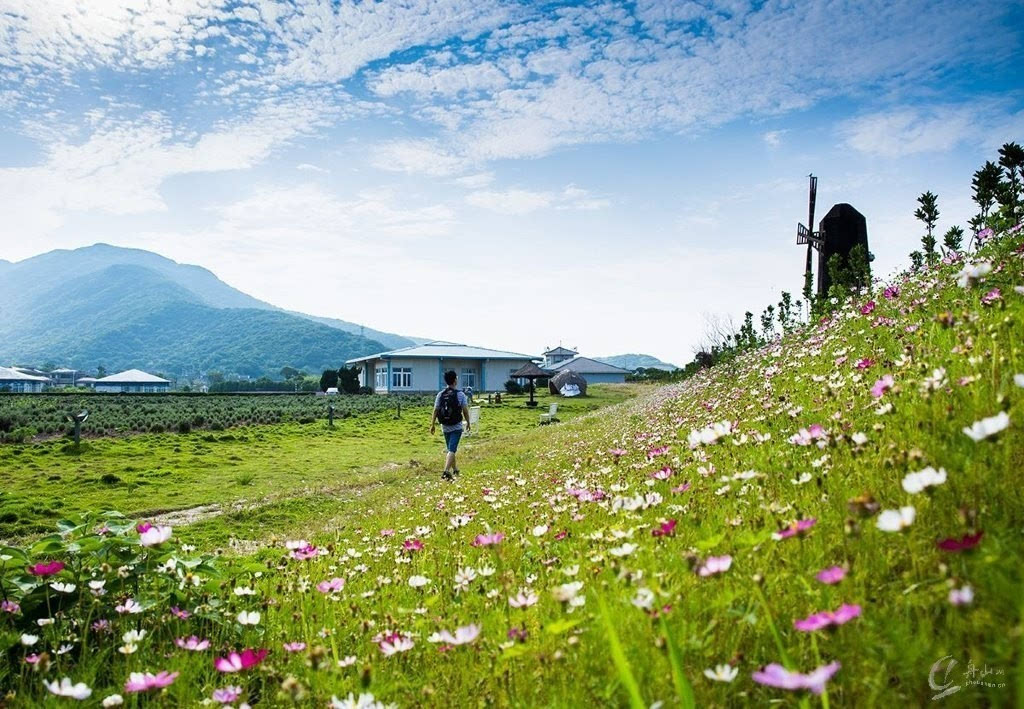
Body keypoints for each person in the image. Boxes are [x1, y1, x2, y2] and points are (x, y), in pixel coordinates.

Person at [430, 370, 471, 480]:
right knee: (452, 450)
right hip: (457, 427)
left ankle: (455, 469)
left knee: (450, 449)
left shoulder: (440, 394)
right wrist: (468, 422)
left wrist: (432, 424)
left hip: (445, 426)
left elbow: (436, 410)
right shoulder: (460, 394)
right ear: (455, 380)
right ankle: (446, 471)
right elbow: (465, 411)